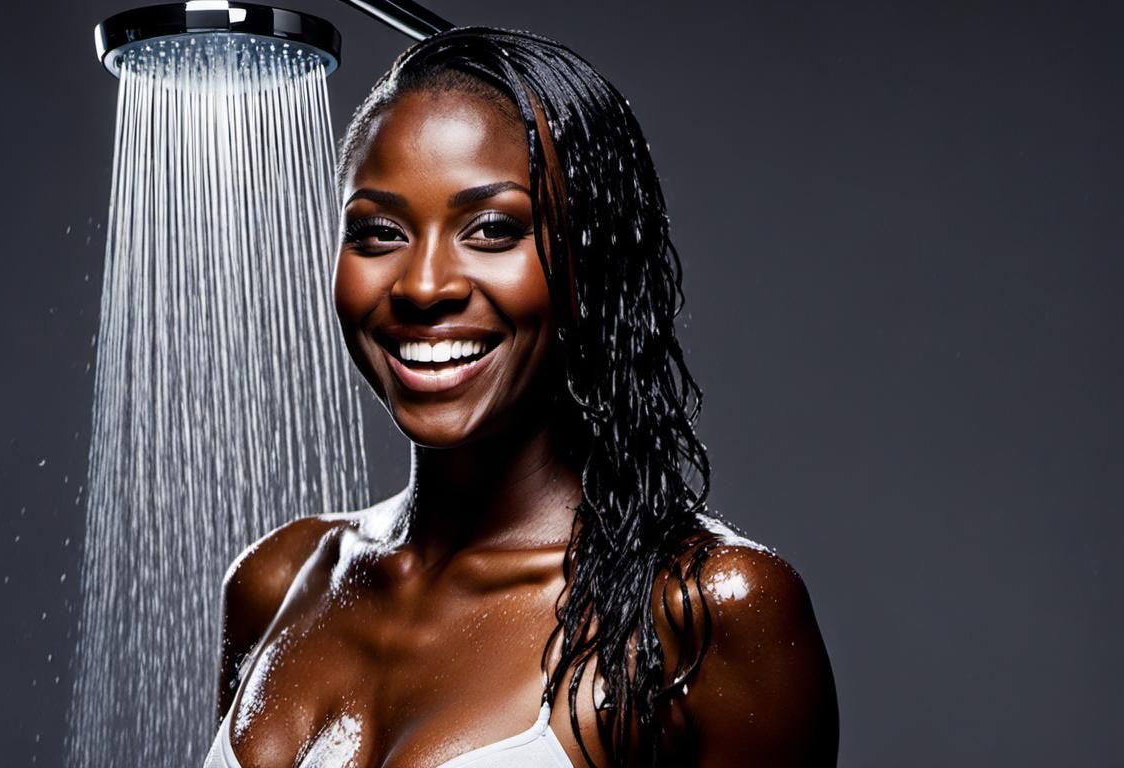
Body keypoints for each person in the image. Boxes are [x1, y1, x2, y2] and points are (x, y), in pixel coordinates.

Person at [204, 27, 838, 768]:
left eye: (493, 230)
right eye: (378, 233)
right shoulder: (280, 580)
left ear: (589, 257)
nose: (422, 285)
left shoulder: (702, 619)